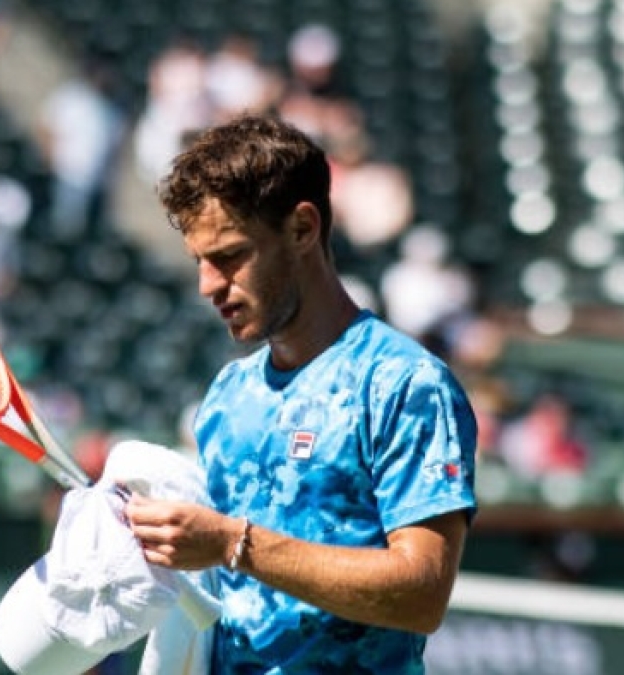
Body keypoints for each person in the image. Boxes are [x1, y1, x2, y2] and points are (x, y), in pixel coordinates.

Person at [125, 114, 478, 673]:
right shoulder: (226, 394)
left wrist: (232, 544)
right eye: (199, 262)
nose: (208, 286)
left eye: (230, 256)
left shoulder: (404, 383)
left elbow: (422, 594)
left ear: (303, 229)